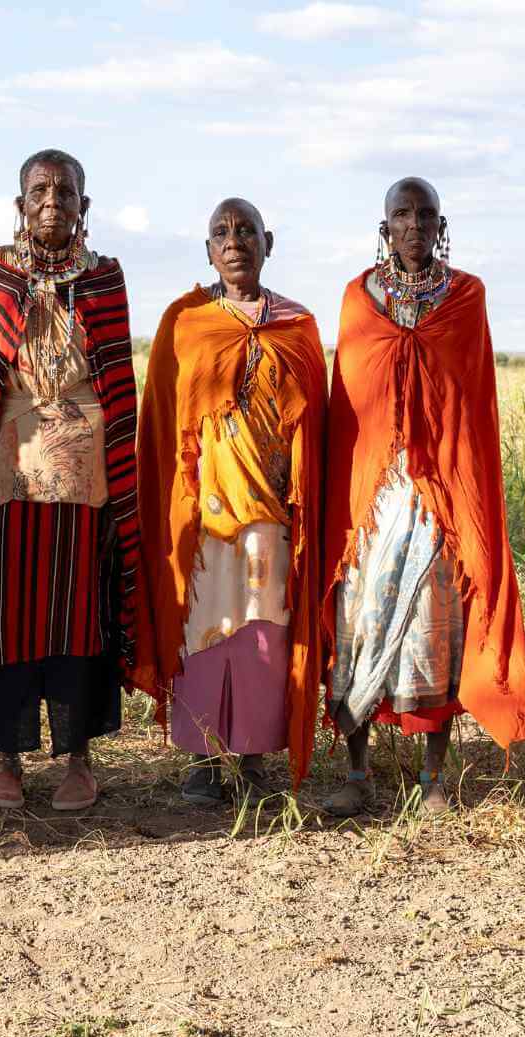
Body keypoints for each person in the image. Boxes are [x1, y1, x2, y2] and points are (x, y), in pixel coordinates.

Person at [320, 178, 525, 818]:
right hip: (373, 495)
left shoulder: (466, 296)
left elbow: (469, 400)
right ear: (383, 226)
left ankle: (432, 777)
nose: (413, 224)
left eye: (425, 214)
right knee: (357, 622)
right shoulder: (360, 297)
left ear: (442, 225)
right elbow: (352, 398)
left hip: (440, 494)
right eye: (401, 214)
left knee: (434, 631)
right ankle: (356, 773)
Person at [0, 148, 141, 811]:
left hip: (85, 480)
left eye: (66, 191)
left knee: (81, 617)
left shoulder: (105, 279)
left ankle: (79, 759)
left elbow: (118, 383)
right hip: (7, 473)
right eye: (39, 191)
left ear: (85, 206)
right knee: (9, 616)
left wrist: (120, 479)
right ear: (19, 205)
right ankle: (8, 758)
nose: (52, 202)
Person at [135, 197, 326, 804]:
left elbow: (313, 426)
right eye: (221, 231)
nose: (235, 239)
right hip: (204, 510)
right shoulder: (185, 323)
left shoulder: (298, 326)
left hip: (271, 508)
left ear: (269, 241)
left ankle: (250, 753)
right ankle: (202, 757)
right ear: (208, 250)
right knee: (205, 626)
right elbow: (163, 422)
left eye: (246, 230)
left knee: (263, 629)